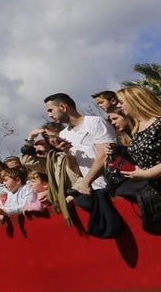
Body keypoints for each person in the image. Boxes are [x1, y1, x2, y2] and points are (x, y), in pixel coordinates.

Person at [44, 93, 118, 195]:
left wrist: (86, 181)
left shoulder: (95, 122)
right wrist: (67, 153)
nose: (49, 115)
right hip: (93, 191)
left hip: (114, 186)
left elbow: (105, 155)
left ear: (62, 106)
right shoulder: (64, 134)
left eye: (50, 110)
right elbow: (77, 171)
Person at [112, 86, 161, 234]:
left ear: (135, 100)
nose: (118, 105)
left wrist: (145, 174)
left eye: (121, 101)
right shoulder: (136, 128)